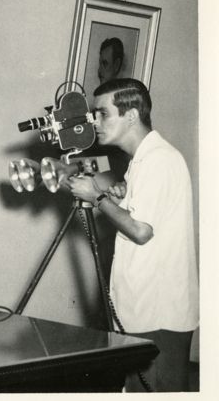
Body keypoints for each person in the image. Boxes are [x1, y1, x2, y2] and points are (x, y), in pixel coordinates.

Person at [66, 78, 198, 391]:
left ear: (131, 116)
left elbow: (140, 232)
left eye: (102, 114)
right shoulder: (141, 161)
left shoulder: (159, 159)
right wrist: (119, 198)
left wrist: (97, 196)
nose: (95, 123)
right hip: (141, 310)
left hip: (159, 315)